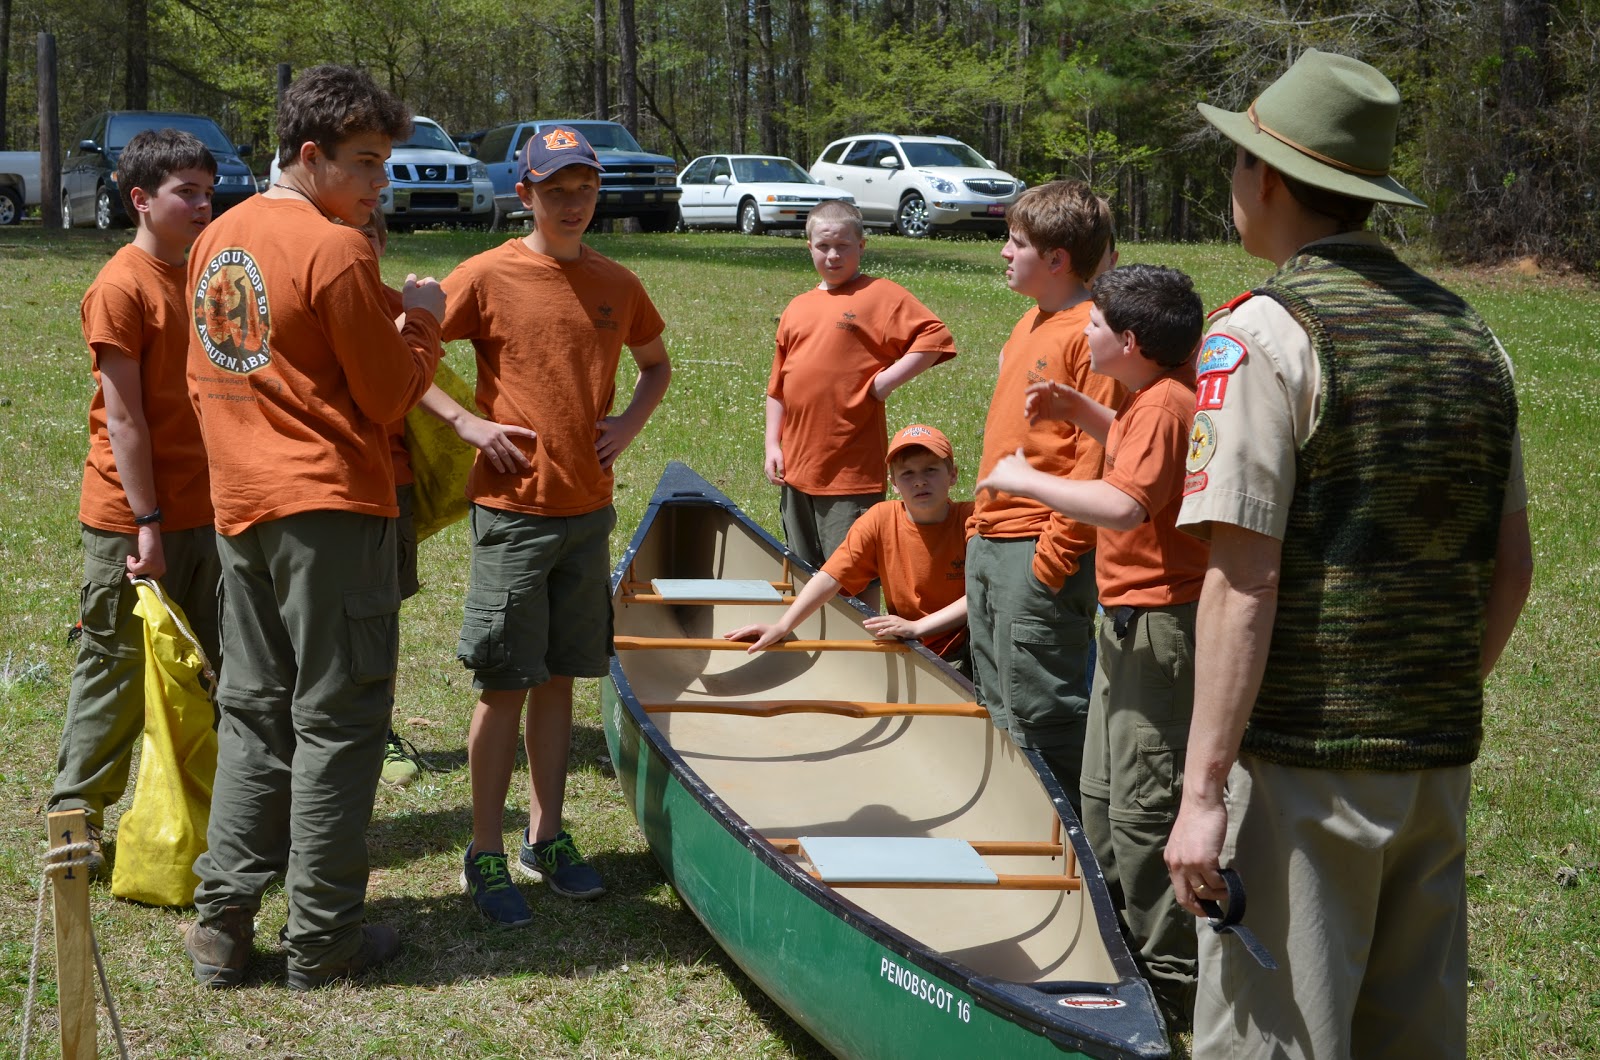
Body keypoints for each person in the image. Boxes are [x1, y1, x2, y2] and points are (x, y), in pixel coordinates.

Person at [1162, 49, 1534, 1058]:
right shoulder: (1471, 336)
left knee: (1276, 1034)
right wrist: (1417, 701)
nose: (1232, 179)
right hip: (1433, 764)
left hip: (1301, 774)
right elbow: (1511, 569)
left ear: (1269, 179)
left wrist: (1201, 796)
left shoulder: (1262, 336)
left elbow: (1243, 579)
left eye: (1239, 160)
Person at [183, 65, 445, 990]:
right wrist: (422, 323)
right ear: (310, 154)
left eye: (385, 161)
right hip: (328, 508)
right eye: (365, 162)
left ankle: (222, 927)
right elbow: (386, 395)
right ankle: (325, 937)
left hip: (241, 507)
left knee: (255, 713)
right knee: (339, 719)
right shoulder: (334, 249)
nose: (381, 181)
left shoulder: (215, 238)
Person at [437, 125, 671, 928]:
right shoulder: (488, 274)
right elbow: (403, 353)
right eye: (555, 190)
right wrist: (466, 424)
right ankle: (483, 850)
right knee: (506, 682)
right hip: (514, 514)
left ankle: (546, 836)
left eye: (585, 189)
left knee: (561, 679)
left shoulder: (617, 283)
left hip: (586, 512)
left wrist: (627, 425)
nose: (573, 204)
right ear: (524, 194)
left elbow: (656, 364)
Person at [976, 264, 1208, 1028]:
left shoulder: (1166, 404)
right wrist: (1084, 410)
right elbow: (1139, 456)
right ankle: (1120, 955)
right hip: (1127, 622)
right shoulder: (1150, 396)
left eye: (1098, 324)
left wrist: (1026, 480)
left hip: (1160, 631)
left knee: (1143, 811)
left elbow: (1123, 503)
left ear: (1129, 342)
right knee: (1104, 800)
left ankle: (1173, 991)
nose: (1088, 330)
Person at [48, 129, 220, 875]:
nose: (204, 205)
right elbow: (124, 420)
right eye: (187, 193)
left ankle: (210, 813)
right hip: (133, 518)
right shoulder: (121, 287)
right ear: (140, 198)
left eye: (209, 191)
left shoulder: (208, 273)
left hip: (209, 511)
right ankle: (75, 819)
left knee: (211, 667)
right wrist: (147, 523)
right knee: (114, 672)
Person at [353, 210, 536, 788]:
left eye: (366, 234)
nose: (355, 244)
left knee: (381, 615)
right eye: (343, 232)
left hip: (391, 482)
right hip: (322, 484)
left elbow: (413, 374)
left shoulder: (395, 304)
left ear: (383, 242)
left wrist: (460, 416)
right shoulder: (315, 296)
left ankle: (376, 732)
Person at [965, 181, 1122, 810]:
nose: (1005, 253)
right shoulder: (1030, 320)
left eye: (1016, 243)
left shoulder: (1091, 333)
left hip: (1037, 551)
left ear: (1056, 259)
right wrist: (978, 528)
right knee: (999, 706)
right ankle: (1018, 826)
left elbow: (1095, 456)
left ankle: (1078, 847)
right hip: (991, 542)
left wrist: (1054, 555)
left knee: (1044, 717)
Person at [764, 200, 956, 570]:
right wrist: (773, 443)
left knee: (852, 572)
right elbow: (778, 387)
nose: (833, 255)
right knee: (802, 570)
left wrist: (885, 382)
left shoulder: (879, 294)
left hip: (850, 472)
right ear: (809, 247)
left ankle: (856, 615)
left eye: (843, 246)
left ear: (862, 246)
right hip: (797, 468)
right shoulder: (797, 307)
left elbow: (935, 337)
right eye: (823, 246)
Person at [725, 423, 972, 670]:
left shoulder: (971, 519)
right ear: (894, 482)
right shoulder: (880, 519)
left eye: (930, 470)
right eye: (907, 473)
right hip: (912, 644)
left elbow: (982, 594)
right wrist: (782, 626)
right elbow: (829, 578)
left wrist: (918, 627)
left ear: (952, 475)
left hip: (968, 642)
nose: (919, 481)